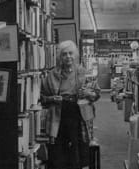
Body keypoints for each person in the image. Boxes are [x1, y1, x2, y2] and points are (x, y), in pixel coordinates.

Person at [40, 40, 100, 169]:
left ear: (76, 55)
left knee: (77, 150)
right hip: (59, 114)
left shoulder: (83, 73)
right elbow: (42, 98)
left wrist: (88, 93)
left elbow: (97, 94)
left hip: (79, 114)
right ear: (60, 57)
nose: (68, 57)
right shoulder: (52, 75)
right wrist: (52, 99)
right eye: (64, 54)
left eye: (70, 53)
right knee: (58, 151)